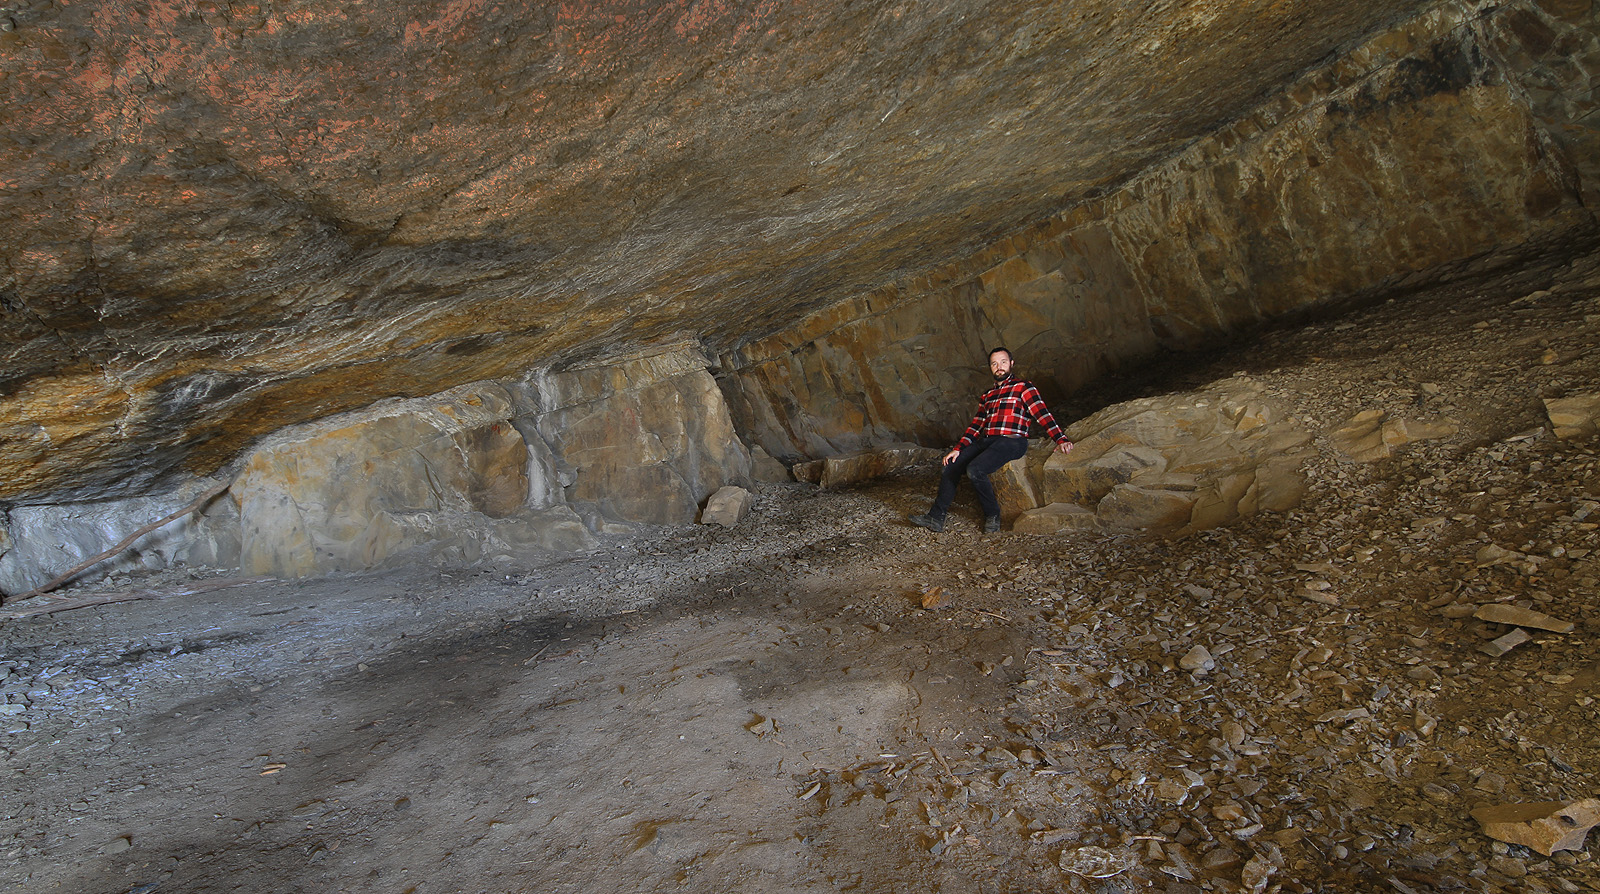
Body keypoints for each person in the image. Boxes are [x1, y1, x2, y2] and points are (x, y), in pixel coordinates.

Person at [909, 347, 1073, 534]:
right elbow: (976, 426)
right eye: (994, 363)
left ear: (1011, 363)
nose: (999, 367)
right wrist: (958, 448)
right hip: (987, 441)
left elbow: (1042, 414)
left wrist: (1060, 439)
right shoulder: (988, 395)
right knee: (951, 465)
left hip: (1012, 441)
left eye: (1003, 362)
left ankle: (992, 515)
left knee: (975, 470)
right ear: (990, 367)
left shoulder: (1024, 387)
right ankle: (935, 517)